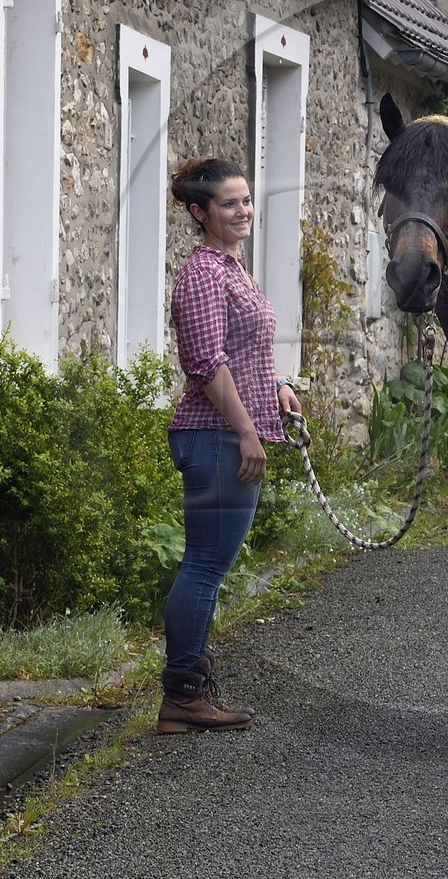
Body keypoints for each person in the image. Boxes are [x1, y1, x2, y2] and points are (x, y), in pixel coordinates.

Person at [159, 156, 302, 733]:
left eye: (245, 200)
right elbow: (206, 365)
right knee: (204, 566)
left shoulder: (233, 269)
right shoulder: (203, 275)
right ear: (200, 212)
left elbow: (245, 353)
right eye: (228, 203)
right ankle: (183, 697)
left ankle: (188, 692)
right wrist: (246, 431)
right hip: (214, 436)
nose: (243, 211)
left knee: (208, 565)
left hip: (225, 434)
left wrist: (278, 386)